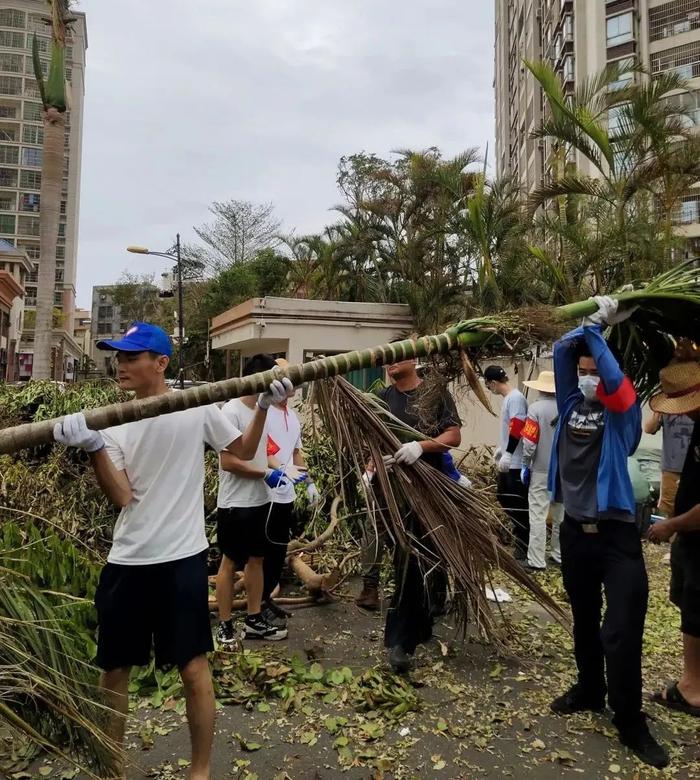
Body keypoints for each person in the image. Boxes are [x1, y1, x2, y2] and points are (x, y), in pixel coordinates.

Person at [52, 322, 293, 780]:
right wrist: (94, 448)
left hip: (181, 559)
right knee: (114, 669)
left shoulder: (194, 406)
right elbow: (122, 496)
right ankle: (111, 767)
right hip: (128, 560)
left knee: (193, 667)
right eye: (118, 357)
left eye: (131, 356)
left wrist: (261, 408)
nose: (120, 365)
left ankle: (200, 771)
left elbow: (241, 447)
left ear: (160, 363)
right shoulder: (113, 422)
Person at [547, 297, 668, 768]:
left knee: (620, 631)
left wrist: (598, 337)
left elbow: (616, 383)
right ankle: (589, 689)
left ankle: (631, 720)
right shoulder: (572, 402)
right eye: (583, 369)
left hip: (617, 539)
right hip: (577, 533)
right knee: (582, 617)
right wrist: (584, 327)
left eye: (593, 369)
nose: (588, 376)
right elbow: (560, 351)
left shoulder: (624, 415)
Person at [356, 358, 462, 673]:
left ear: (413, 358)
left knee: (423, 561)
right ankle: (403, 639)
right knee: (406, 561)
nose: (389, 363)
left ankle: (413, 632)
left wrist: (421, 446)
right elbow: (371, 442)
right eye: (385, 358)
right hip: (393, 494)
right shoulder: (384, 399)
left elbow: (453, 436)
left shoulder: (433, 393)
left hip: (429, 492)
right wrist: (372, 466)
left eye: (396, 356)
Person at [215, 354, 305, 645]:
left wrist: (285, 469)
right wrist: (263, 474)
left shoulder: (260, 411)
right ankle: (225, 624)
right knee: (230, 563)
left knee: (256, 560)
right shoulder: (230, 412)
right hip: (235, 504)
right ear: (257, 379)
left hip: (260, 502)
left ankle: (253, 619)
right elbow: (228, 461)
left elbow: (265, 451)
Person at [647, 357, 700, 717]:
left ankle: (691, 689)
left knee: (696, 609)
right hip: (690, 537)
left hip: (696, 538)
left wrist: (671, 526)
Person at [263, 358, 320, 630]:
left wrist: (307, 481)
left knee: (277, 549)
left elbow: (296, 452)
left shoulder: (291, 416)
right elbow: (266, 451)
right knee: (262, 551)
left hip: (286, 494)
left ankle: (268, 600)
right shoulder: (264, 413)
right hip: (266, 494)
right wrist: (281, 472)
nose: (292, 386)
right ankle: (261, 603)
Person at [484, 365, 529, 560]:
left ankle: (523, 543)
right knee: (503, 496)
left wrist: (509, 453)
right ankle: (520, 539)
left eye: (488, 386)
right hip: (509, 459)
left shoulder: (516, 398)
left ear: (493, 383)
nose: (490, 390)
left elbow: (518, 425)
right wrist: (502, 448)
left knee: (515, 502)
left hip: (516, 462)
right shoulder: (509, 399)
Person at [520, 370, 564, 570]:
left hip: (540, 468)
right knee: (560, 514)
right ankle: (559, 554)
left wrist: (525, 463)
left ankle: (536, 560)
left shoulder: (535, 409)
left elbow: (529, 442)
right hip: (563, 469)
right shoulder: (567, 407)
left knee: (538, 514)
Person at [643, 410, 693, 517]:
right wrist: (657, 410)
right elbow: (649, 428)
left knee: (691, 511)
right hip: (671, 470)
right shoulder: (667, 407)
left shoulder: (695, 404)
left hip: (694, 469)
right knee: (669, 512)